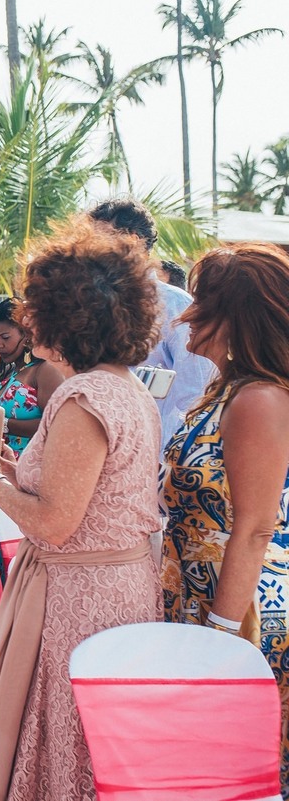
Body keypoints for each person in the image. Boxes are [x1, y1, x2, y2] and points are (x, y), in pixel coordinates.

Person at [0, 219, 163, 801]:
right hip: (114, 587)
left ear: (66, 315)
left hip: (75, 599)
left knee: (59, 741)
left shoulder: (82, 397)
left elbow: (56, 524)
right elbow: (90, 497)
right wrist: (10, 469)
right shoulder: (124, 388)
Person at [160, 243, 289, 795]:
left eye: (201, 303)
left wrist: (219, 633)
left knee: (231, 770)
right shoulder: (227, 390)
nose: (184, 315)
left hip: (240, 608)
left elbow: (257, 525)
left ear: (234, 318)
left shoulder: (259, 398)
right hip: (201, 592)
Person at [88, 198, 215, 447]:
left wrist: (161, 457)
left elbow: (195, 390)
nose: (90, 250)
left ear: (134, 241)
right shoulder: (93, 304)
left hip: (157, 453)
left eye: (99, 240)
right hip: (105, 445)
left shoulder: (174, 303)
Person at [0, 298, 64, 573]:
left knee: (17, 559)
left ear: (26, 334)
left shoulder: (45, 370)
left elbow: (52, 424)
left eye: (5, 337)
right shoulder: (11, 372)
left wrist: (0, 423)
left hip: (25, 478)